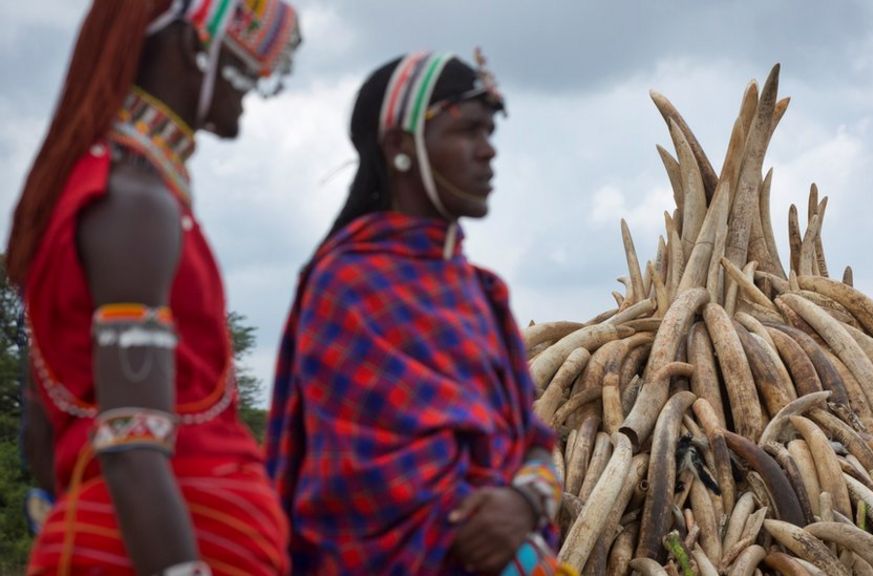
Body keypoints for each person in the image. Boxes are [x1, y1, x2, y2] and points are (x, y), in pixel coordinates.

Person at [5, 1, 300, 574]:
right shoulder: (133, 203)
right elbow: (131, 443)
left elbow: (43, 434)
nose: (260, 79)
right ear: (194, 47)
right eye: (248, 55)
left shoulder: (108, 190)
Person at [264, 51, 573, 575]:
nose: (488, 151)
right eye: (468, 131)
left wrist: (523, 503)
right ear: (399, 147)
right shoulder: (345, 287)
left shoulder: (484, 293)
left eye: (491, 131)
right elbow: (362, 485)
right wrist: (487, 520)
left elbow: (533, 445)